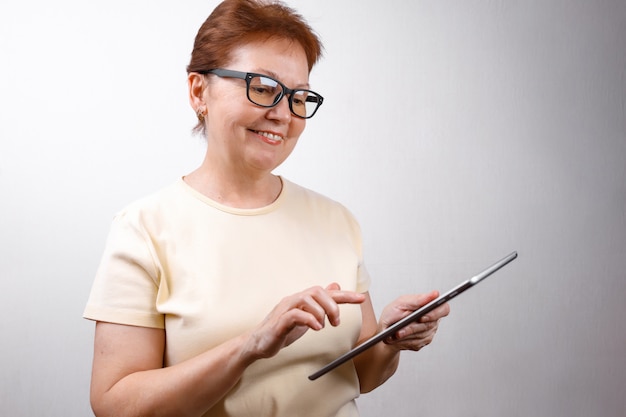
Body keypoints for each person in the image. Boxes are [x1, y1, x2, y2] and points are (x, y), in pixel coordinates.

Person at [83, 1, 450, 416]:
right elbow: (115, 405)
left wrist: (389, 338)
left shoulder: (336, 220)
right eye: (262, 87)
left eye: (298, 96)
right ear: (198, 91)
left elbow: (362, 376)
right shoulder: (144, 228)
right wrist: (250, 346)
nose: (282, 114)